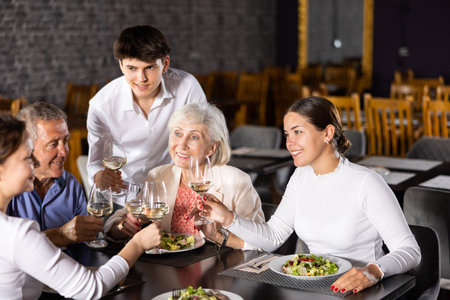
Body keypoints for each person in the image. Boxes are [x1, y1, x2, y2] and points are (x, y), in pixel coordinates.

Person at [201, 96, 421, 294]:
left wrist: (373, 271)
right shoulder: (300, 177)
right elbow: (273, 237)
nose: (289, 143)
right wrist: (228, 218)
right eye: (287, 134)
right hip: (317, 287)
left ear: (327, 133)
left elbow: (410, 251)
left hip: (363, 290)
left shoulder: (367, 182)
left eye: (298, 132)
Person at [0, 113, 161, 299]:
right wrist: (138, 244)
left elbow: (93, 239)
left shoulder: (69, 183)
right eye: (27, 158)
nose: (32, 166)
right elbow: (90, 287)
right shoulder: (17, 234)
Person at [105, 102, 265, 249]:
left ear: (211, 148)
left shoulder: (237, 181)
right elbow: (116, 222)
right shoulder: (159, 176)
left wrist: (220, 237)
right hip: (167, 272)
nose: (181, 144)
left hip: (218, 272)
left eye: (194, 137)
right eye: (177, 133)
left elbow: (261, 241)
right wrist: (122, 227)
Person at [87, 25, 207, 199]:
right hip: (122, 198)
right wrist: (100, 176)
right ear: (121, 65)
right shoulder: (101, 105)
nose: (141, 78)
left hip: (173, 195)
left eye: (149, 68)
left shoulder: (187, 87)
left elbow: (202, 143)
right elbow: (94, 164)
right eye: (132, 68)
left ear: (165, 64)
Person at [7, 102, 102, 247]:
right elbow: (6, 247)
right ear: (27, 147)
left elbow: (89, 239)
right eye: (53, 144)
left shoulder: (71, 185)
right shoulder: (8, 189)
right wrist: (61, 235)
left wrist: (115, 229)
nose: (64, 152)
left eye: (66, 141)